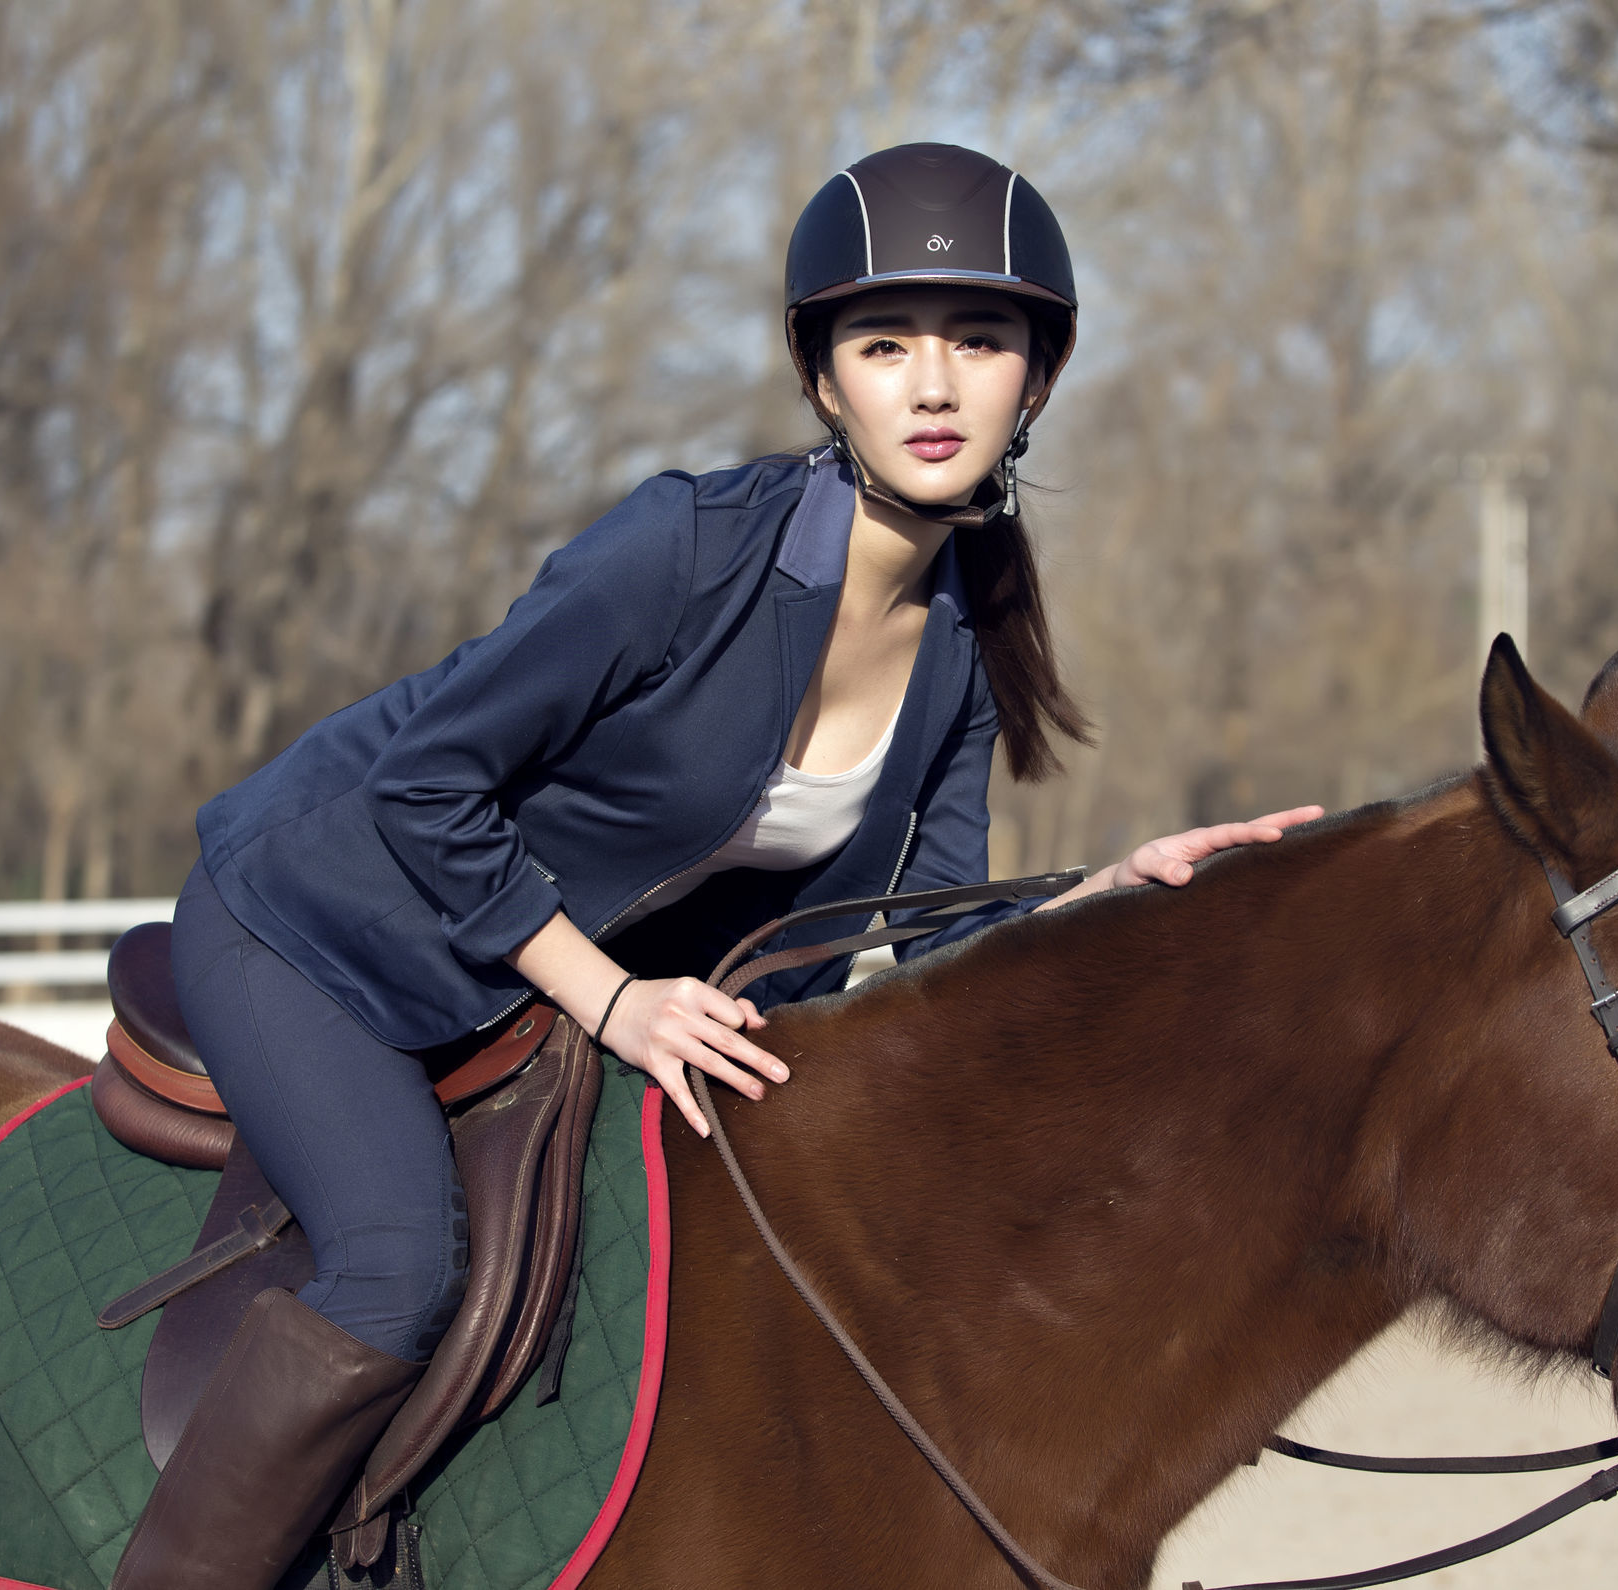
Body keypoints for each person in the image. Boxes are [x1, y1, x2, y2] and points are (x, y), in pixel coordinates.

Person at [110, 142, 1323, 1590]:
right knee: (395, 1263)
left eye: (980, 343)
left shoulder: (959, 644)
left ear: (1036, 380)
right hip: (323, 923)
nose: (933, 387)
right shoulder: (681, 548)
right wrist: (613, 999)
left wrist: (1104, 900)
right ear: (824, 381)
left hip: (539, 999)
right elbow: (422, 782)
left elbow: (926, 939)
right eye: (884, 346)